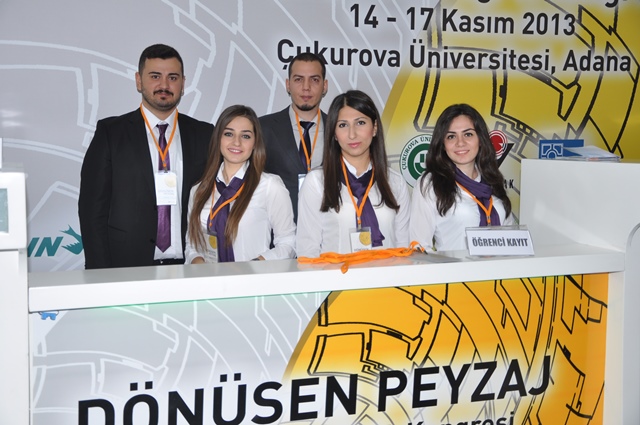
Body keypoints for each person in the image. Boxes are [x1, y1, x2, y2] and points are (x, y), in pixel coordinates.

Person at [78, 44, 214, 269]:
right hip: (126, 266)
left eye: (173, 77)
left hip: (190, 265)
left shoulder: (205, 134)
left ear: (183, 84)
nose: (164, 85)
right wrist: (99, 272)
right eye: (155, 76)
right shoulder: (110, 134)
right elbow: (92, 211)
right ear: (139, 81)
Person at [297, 90, 410, 257]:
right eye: (343, 125)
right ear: (334, 134)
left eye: (360, 123)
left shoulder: (395, 182)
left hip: (387, 273)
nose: (352, 134)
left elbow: (404, 246)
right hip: (336, 274)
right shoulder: (317, 182)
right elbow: (307, 250)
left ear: (374, 128)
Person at [185, 105, 296, 263]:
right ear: (218, 138)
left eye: (245, 136)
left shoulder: (270, 186)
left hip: (253, 277)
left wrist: (255, 266)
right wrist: (197, 262)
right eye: (229, 134)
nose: (236, 142)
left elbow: (288, 242)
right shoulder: (199, 190)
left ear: (255, 142)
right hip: (209, 277)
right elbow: (192, 245)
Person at [410, 103, 514, 251]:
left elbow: (511, 238)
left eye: (468, 134)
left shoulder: (492, 179)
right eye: (451, 136)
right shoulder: (430, 184)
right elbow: (419, 246)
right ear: (443, 144)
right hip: (452, 266)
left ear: (480, 139)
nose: (460, 143)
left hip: (500, 266)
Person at [259, 52, 328, 222]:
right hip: (279, 229)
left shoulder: (339, 129)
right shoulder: (262, 128)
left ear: (324, 86)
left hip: (328, 229)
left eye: (314, 79)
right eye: (298, 79)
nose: (306, 87)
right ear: (288, 85)